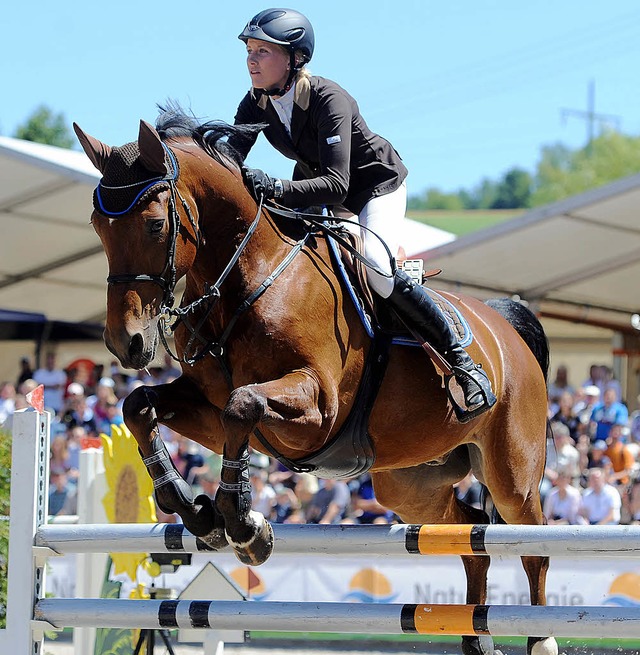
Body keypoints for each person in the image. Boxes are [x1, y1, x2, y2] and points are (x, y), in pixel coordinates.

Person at [229, 8, 495, 422]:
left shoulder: (327, 97)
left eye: (263, 51)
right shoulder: (256, 102)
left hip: (374, 187)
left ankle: (461, 361)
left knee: (376, 269)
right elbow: (229, 159)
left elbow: (337, 183)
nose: (252, 60)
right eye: (249, 50)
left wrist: (278, 188)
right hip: (321, 189)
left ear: (294, 58)